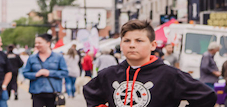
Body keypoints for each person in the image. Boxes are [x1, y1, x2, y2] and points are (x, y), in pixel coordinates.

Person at [83, 20, 216, 107]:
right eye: (127, 41)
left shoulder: (170, 75)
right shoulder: (109, 74)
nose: (132, 45)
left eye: (139, 40)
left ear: (153, 45)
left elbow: (206, 96)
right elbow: (91, 94)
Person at [22, 34, 68, 107]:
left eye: (39, 43)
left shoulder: (58, 57)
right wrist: (36, 74)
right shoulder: (32, 58)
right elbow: (25, 73)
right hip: (37, 92)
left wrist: (49, 73)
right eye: (36, 43)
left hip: (53, 92)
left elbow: (65, 72)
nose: (37, 45)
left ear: (48, 43)